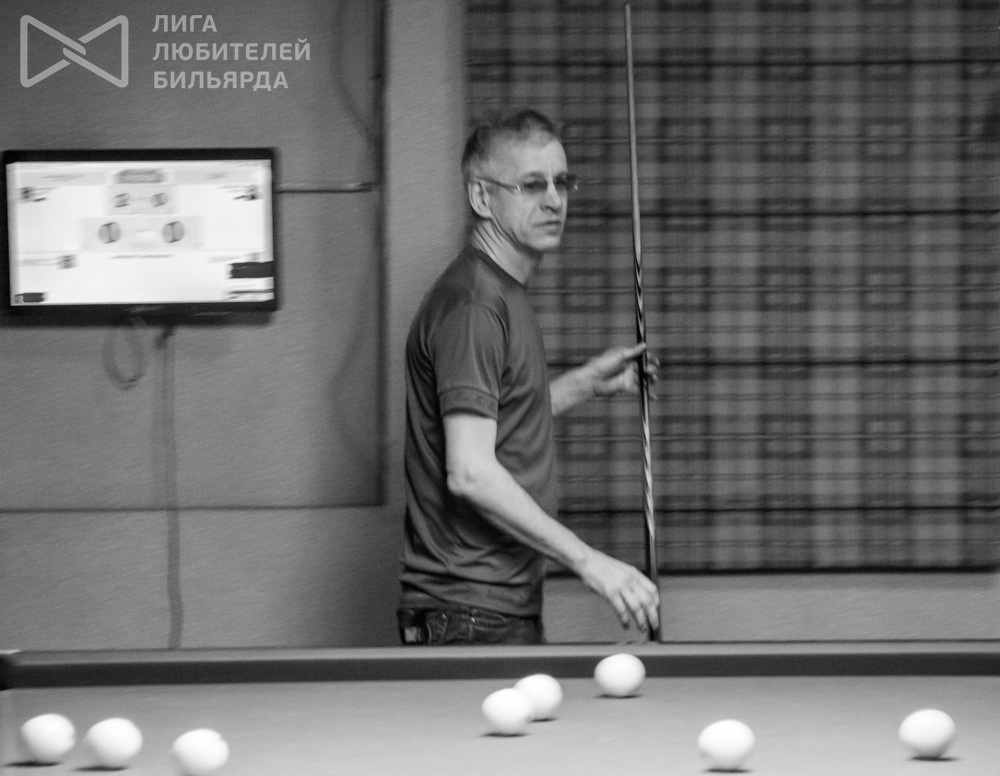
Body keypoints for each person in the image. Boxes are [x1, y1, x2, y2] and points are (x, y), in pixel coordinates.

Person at [397, 109, 660, 646]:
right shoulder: (475, 305)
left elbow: (498, 417)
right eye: (532, 185)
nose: (555, 200)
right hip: (469, 612)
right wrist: (590, 562)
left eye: (562, 182)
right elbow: (469, 471)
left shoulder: (500, 292)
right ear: (481, 197)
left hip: (488, 608)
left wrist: (584, 384)